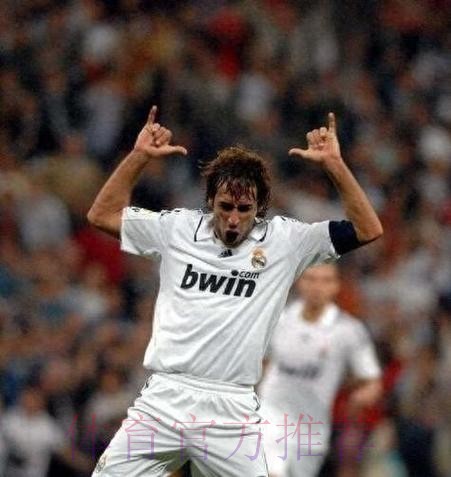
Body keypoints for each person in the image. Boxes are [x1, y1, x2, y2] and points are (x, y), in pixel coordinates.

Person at [87, 105, 383, 476]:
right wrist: (139, 156)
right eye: (225, 206)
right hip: (164, 399)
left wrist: (335, 166)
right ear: (209, 201)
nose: (233, 218)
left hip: (231, 410)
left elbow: (368, 228)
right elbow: (102, 215)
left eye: (244, 209)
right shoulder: (177, 229)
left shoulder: (285, 241)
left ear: (260, 207)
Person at [259, 263, 383, 477]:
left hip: (312, 429)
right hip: (272, 418)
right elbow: (262, 362)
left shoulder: (349, 330)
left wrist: (362, 396)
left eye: (326, 280)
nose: (317, 287)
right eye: (311, 279)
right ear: (299, 282)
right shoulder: (278, 320)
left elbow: (372, 381)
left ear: (336, 286)